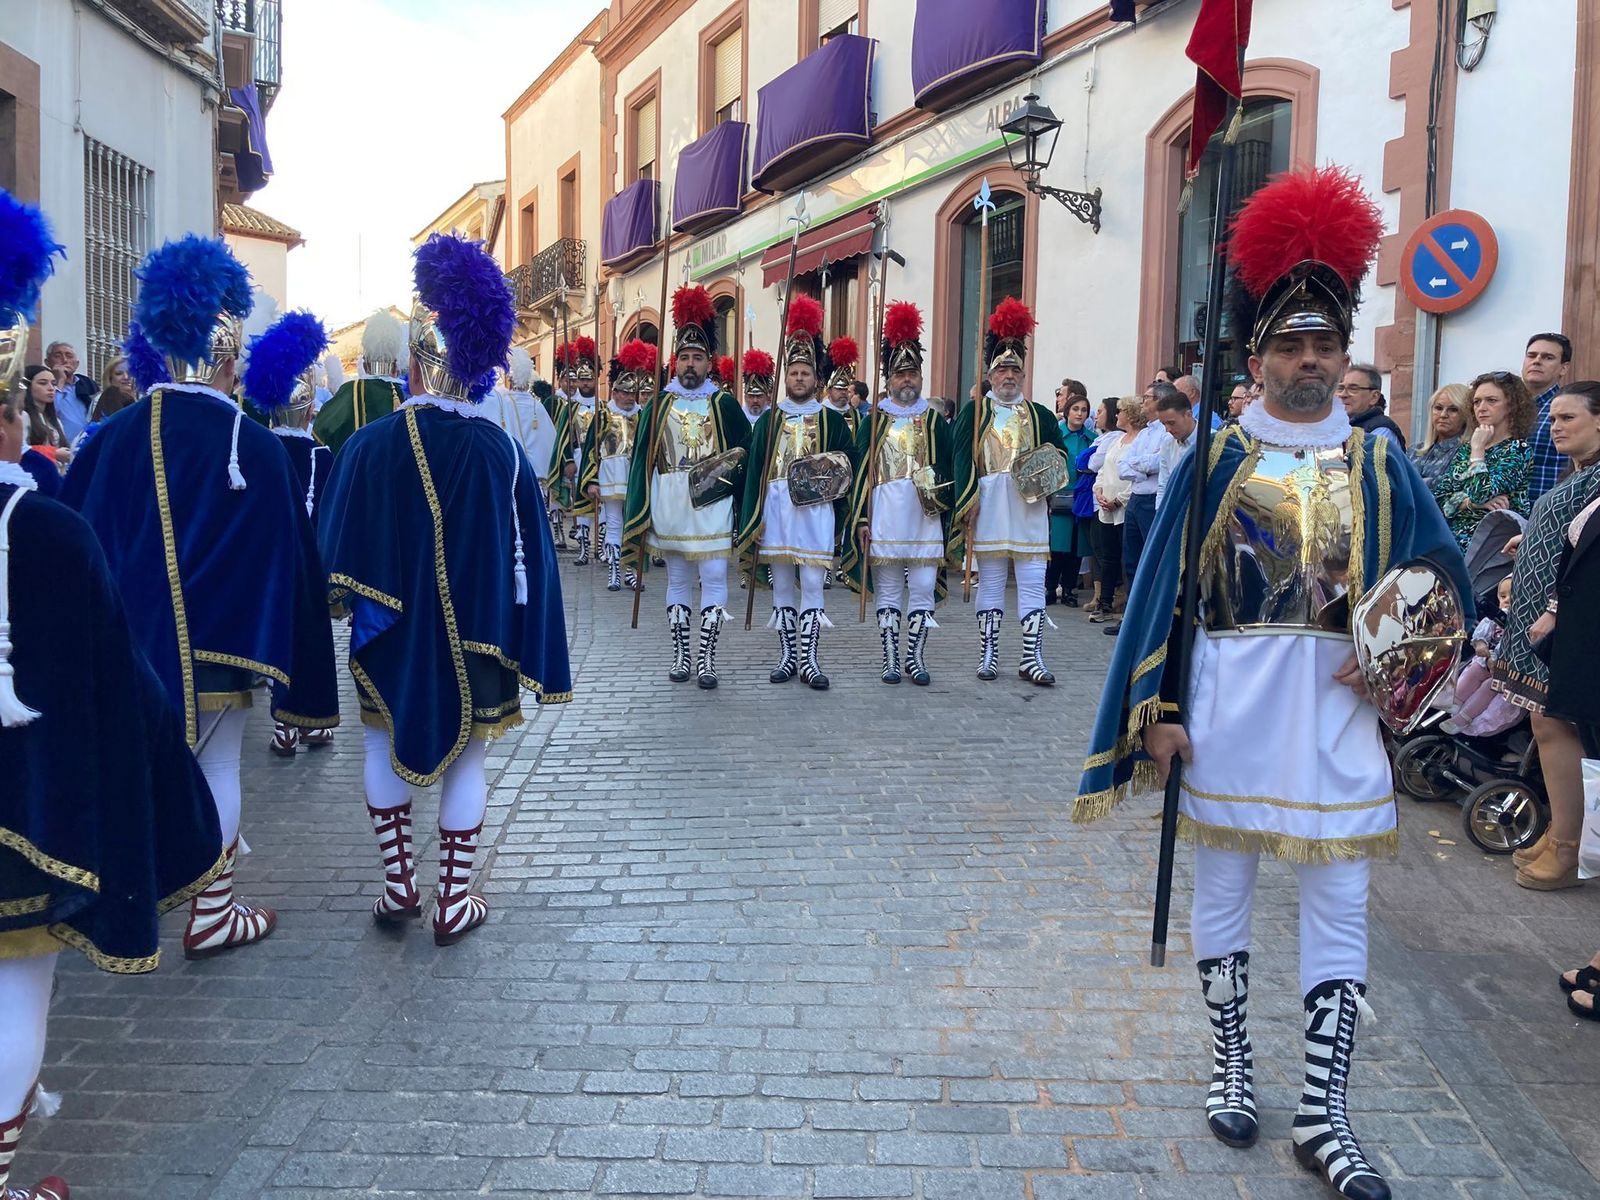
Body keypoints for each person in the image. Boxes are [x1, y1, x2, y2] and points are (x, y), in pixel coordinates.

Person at [1075, 165, 1469, 1200]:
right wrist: (1156, 713)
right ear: (1256, 356)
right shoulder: (1213, 456)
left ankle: (1324, 1112)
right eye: (1287, 344)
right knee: (1227, 886)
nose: (1306, 359)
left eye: (1323, 344)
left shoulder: (1383, 462)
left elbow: (1443, 578)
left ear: (1345, 355)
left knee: (1341, 897)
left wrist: (1395, 657)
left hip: (1337, 712)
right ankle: (1232, 1063)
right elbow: (1161, 597)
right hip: (1227, 712)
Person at [0, 190, 226, 1200]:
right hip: (27, 819)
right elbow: (118, 678)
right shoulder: (41, 531)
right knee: (12, 984)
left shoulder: (75, 486)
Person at [60, 234, 340, 962]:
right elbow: (289, 557)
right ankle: (213, 909)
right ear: (226, 351)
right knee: (216, 768)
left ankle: (129, 895)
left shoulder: (107, 439)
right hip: (225, 649)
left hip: (129, 648)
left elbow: (77, 544)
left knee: (136, 768)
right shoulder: (254, 442)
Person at [318, 232, 571, 946]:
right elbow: (535, 562)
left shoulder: (367, 445)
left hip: (388, 633)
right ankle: (454, 899)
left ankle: (399, 883)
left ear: (417, 371)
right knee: (471, 755)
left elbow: (335, 550)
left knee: (378, 744)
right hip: (479, 635)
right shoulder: (501, 452)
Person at [1491, 383, 1600, 891]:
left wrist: (1555, 608)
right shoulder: (1579, 471)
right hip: (1540, 612)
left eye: (1567, 417)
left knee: (1556, 724)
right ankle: (1560, 828)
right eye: (1552, 418)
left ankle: (1568, 847)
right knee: (1544, 723)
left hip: (1568, 621)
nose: (1554, 426)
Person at [623, 285, 750, 688]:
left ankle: (707, 657)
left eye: (697, 358)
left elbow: (746, 453)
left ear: (709, 362)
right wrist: (639, 510)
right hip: (672, 505)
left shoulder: (724, 403)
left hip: (712, 504)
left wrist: (743, 505)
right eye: (684, 358)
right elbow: (641, 461)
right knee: (678, 580)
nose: (690, 365)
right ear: (674, 362)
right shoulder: (657, 405)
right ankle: (682, 654)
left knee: (713, 577)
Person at [737, 297, 857, 690]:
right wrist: (752, 519)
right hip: (776, 511)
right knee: (783, 584)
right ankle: (787, 655)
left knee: (812, 584)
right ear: (785, 377)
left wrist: (843, 516)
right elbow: (754, 472)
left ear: (816, 379)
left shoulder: (832, 421)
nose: (800, 378)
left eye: (806, 372)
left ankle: (810, 659)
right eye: (795, 372)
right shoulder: (769, 420)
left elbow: (848, 467)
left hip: (815, 512)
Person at [950, 297, 1067, 686]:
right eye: (1002, 369)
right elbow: (960, 457)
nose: (1009, 376)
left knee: (1034, 578)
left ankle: (1032, 656)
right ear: (990, 373)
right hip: (991, 506)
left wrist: (1047, 478)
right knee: (993, 578)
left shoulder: (1041, 415)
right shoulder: (975, 411)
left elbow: (1059, 459)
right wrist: (968, 498)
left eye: (1015, 369)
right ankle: (989, 652)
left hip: (1029, 506)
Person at [241, 310, 337, 758]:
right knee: (311, 641)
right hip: (310, 559)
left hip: (264, 560)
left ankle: (284, 725)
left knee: (277, 638)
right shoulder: (319, 454)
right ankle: (310, 722)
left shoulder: (255, 448)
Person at [841, 302, 952, 685]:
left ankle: (914, 657)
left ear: (920, 378)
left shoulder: (935, 420)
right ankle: (890, 658)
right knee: (888, 589)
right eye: (901, 374)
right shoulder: (873, 421)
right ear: (888, 380)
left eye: (913, 373)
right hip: (886, 514)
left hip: (925, 516)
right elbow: (858, 474)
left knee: (921, 587)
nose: (907, 380)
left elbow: (950, 469)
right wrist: (861, 518)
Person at [1428, 371, 1534, 549]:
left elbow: (1480, 493)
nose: (1481, 407)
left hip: (1491, 551)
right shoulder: (1466, 449)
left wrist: (1478, 452)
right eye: (1477, 401)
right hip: (1451, 545)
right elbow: (1439, 500)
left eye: (1491, 400)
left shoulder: (1518, 450)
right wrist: (1470, 503)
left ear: (1511, 405)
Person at [580, 339, 653, 591]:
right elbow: (591, 447)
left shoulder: (642, 416)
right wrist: (591, 480)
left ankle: (631, 570)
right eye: (623, 392)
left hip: (635, 478)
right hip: (610, 476)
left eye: (632, 393)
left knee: (634, 524)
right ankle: (614, 571)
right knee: (613, 524)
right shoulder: (603, 413)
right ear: (614, 392)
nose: (628, 397)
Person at [312, 308, 408, 455]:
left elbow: (321, 434)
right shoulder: (411, 395)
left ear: (364, 363)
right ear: (396, 365)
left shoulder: (349, 392)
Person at [1116, 381, 1175, 586]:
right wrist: (1142, 469)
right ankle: (1133, 612)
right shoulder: (1144, 433)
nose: (1142, 402)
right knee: (1131, 560)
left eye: (1147, 398)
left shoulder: (1167, 430)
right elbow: (1122, 466)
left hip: (1152, 501)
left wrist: (1139, 465)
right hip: (1135, 499)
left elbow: (1159, 462)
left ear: (1158, 401)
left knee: (1151, 558)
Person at [1085, 396, 1136, 623]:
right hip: (1106, 506)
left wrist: (1119, 499)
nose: (1117, 415)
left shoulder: (1139, 440)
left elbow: (1135, 478)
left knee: (1127, 558)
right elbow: (1104, 468)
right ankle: (1104, 603)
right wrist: (1099, 491)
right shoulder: (1118, 440)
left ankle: (1127, 606)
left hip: (1123, 507)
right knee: (1108, 557)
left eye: (1121, 411)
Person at [550, 336, 600, 565]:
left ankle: (601, 546)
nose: (586, 383)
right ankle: (583, 548)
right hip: (579, 458)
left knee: (604, 504)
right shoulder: (570, 407)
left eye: (589, 378)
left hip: (601, 461)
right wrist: (568, 460)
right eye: (582, 379)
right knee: (581, 506)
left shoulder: (604, 406)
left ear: (596, 379)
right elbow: (564, 437)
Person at [487, 348, 558, 504]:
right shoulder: (536, 406)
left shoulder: (503, 402)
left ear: (511, 380)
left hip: (515, 468)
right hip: (537, 473)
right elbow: (550, 440)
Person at [1048, 393, 1095, 606]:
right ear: (1067, 411)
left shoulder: (1092, 438)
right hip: (1059, 496)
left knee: (1077, 547)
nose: (1079, 414)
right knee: (1057, 546)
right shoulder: (1057, 434)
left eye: (1084, 410)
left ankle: (1069, 589)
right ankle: (1049, 588)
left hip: (1082, 497)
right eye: (1076, 409)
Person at [1523, 332, 1573, 505]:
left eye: (1548, 357)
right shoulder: (1505, 407)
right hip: (1501, 517)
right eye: (1531, 355)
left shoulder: (1569, 410)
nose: (1537, 361)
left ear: (1563, 368)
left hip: (1546, 513)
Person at [1407, 382, 1473, 488]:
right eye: (1438, 408)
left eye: (1453, 410)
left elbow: (1450, 490)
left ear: (1466, 415)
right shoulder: (1414, 451)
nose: (1443, 415)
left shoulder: (1468, 453)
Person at [1336, 364, 1406, 449]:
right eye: (1340, 388)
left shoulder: (1381, 430)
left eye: (1353, 389)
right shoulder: (1336, 426)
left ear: (1374, 397)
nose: (1343, 395)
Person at [1153, 386, 1198, 509]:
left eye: (1172, 423)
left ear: (1188, 414)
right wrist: (1160, 515)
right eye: (1163, 424)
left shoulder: (1212, 440)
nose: (1167, 430)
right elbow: (1163, 484)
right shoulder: (1167, 442)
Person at [42, 340, 95, 442]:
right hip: (61, 450)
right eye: (58, 356)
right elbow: (50, 411)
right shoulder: (44, 385)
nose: (65, 360)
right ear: (47, 362)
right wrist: (59, 381)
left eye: (69, 356)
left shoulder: (88, 384)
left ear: (77, 364)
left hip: (87, 446)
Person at [19, 365, 69, 468]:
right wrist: (54, 453)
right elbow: (18, 450)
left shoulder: (55, 421)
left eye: (53, 383)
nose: (51, 388)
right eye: (43, 383)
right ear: (27, 387)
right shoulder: (23, 416)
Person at [821, 336, 861, 438]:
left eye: (845, 389)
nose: (843, 392)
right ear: (829, 390)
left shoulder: (856, 415)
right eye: (839, 389)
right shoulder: (820, 414)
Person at [92, 355, 137, 422]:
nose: (126, 377)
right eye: (119, 373)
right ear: (110, 378)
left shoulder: (137, 401)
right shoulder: (107, 397)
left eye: (130, 373)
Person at [741, 349, 775, 424]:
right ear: (745, 397)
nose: (755, 400)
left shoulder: (773, 419)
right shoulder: (738, 418)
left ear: (767, 397)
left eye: (759, 396)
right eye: (751, 396)